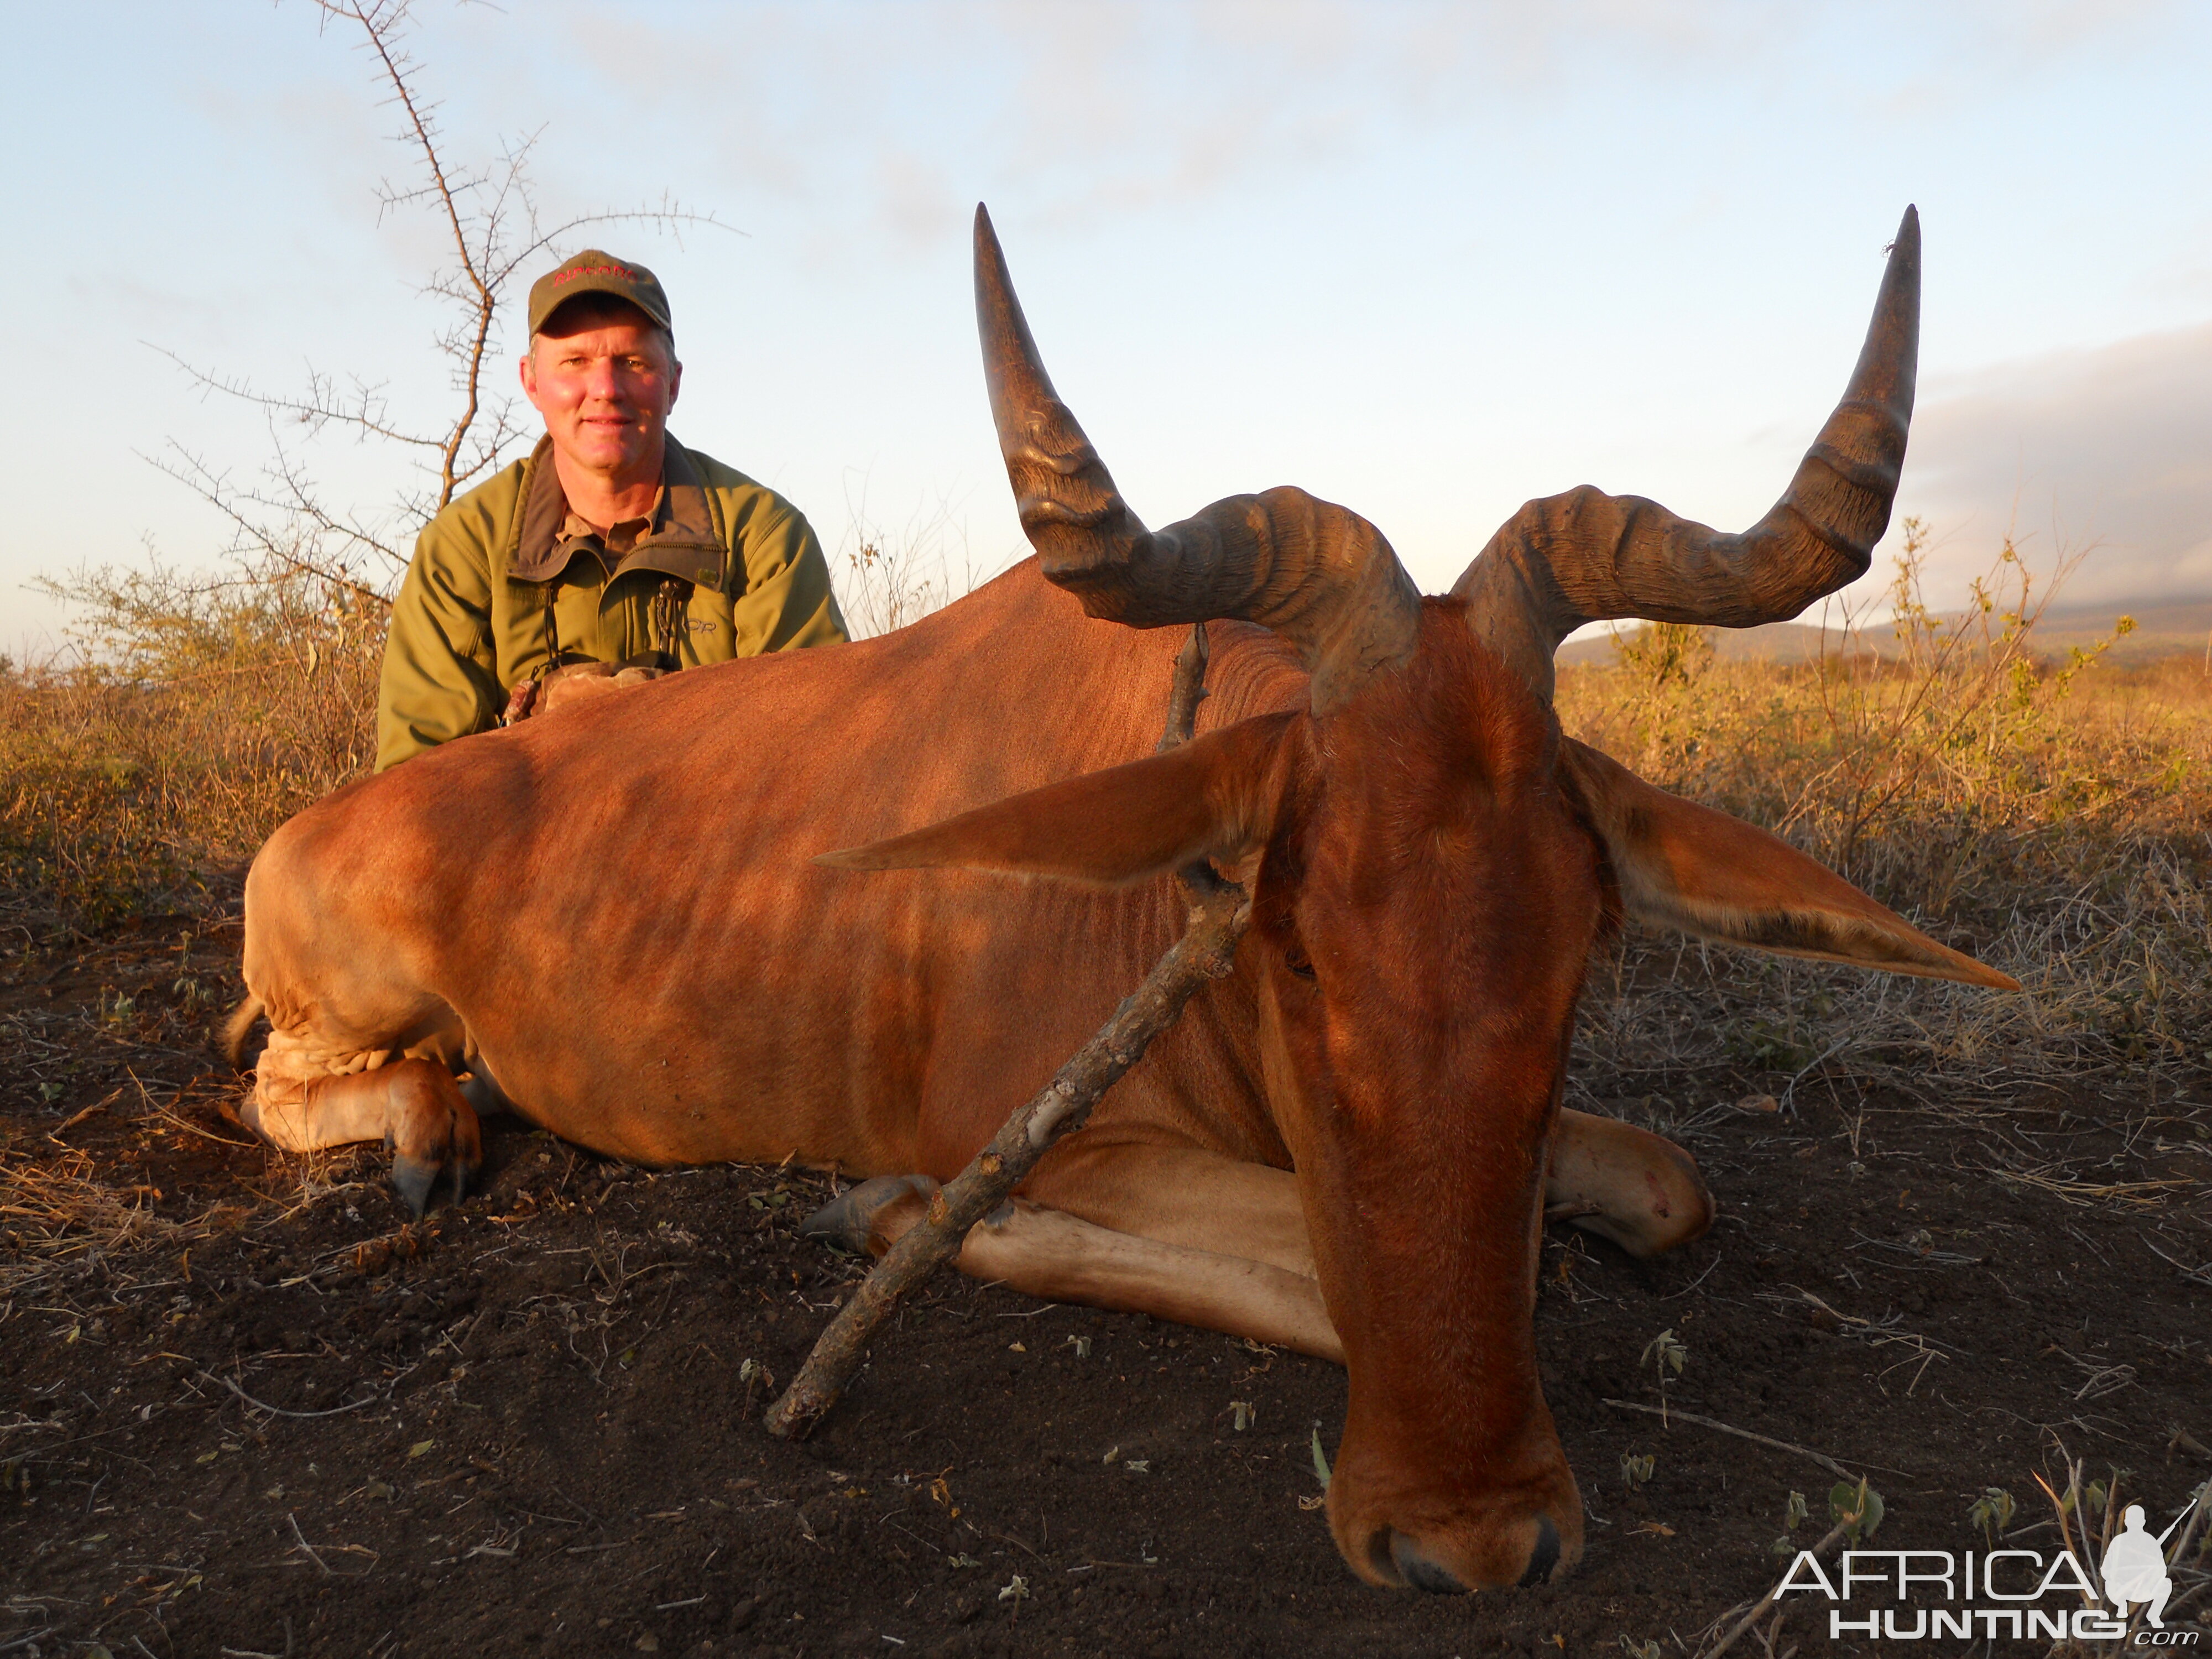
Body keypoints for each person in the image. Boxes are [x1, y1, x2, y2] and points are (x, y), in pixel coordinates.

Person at [374, 249, 848, 770]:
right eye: (575, 362)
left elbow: (815, 762)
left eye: (633, 363)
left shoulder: (765, 540)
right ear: (532, 382)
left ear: (673, 383)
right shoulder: (463, 548)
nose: (605, 389)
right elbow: (414, 786)